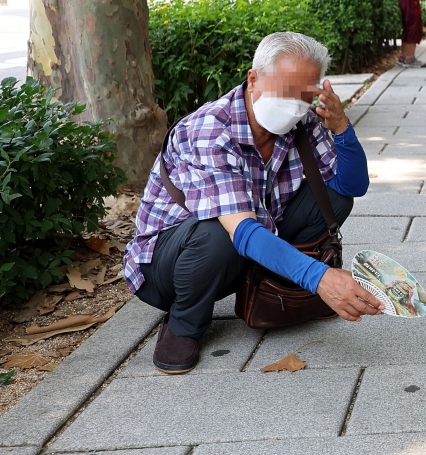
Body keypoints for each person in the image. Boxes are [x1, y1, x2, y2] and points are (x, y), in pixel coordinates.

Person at [124, 32, 379, 373]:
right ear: (254, 79)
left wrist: (341, 127)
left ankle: (271, 283)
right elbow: (241, 230)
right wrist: (321, 279)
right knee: (219, 230)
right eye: (285, 89)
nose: (294, 104)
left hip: (245, 243)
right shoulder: (211, 130)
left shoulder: (303, 119)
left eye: (304, 94)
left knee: (333, 198)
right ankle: (183, 322)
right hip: (168, 266)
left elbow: (352, 185)